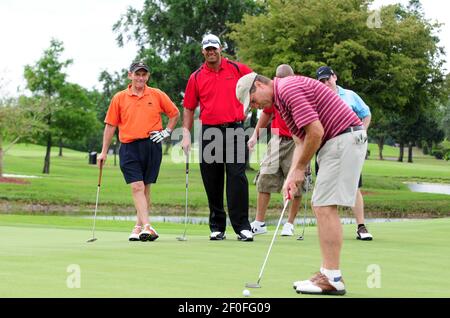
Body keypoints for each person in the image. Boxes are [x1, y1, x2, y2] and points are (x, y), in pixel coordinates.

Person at [236, 72, 368, 295]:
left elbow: (316, 131)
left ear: (258, 85)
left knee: (324, 206)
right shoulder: (281, 101)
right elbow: (301, 140)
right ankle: (328, 272)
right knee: (322, 205)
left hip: (342, 140)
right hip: (340, 141)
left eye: (254, 101)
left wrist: (298, 169)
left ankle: (332, 278)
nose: (257, 106)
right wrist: (291, 177)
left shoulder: (287, 89)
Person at [182, 34, 254, 241]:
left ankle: (242, 226)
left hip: (235, 129)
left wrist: (250, 106)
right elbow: (188, 108)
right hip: (209, 132)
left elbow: (258, 85)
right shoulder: (196, 77)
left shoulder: (238, 69)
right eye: (208, 49)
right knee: (212, 180)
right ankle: (217, 226)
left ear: (221, 49)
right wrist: (186, 134)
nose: (211, 52)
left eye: (214, 48)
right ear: (203, 52)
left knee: (237, 178)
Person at [98, 61, 180, 242]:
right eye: (137, 74)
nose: (140, 78)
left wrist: (167, 132)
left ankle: (137, 227)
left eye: (144, 74)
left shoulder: (156, 94)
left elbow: (174, 113)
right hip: (128, 147)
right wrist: (104, 151)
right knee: (137, 186)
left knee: (145, 188)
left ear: (147, 76)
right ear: (130, 75)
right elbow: (111, 125)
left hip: (152, 145)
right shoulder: (119, 97)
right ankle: (148, 227)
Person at [248, 64, 310, 237]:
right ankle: (259, 222)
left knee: (296, 182)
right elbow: (266, 115)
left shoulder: (295, 91)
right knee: (265, 178)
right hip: (277, 138)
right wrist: (255, 136)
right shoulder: (272, 94)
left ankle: (289, 223)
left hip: (297, 142)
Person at [316, 66, 373, 240]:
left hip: (350, 145)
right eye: (322, 81)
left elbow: (366, 113)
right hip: (326, 147)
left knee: (354, 185)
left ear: (335, 77)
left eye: (327, 79)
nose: (326, 83)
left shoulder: (350, 95)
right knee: (324, 186)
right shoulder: (317, 98)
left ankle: (361, 227)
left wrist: (361, 132)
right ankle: (329, 227)